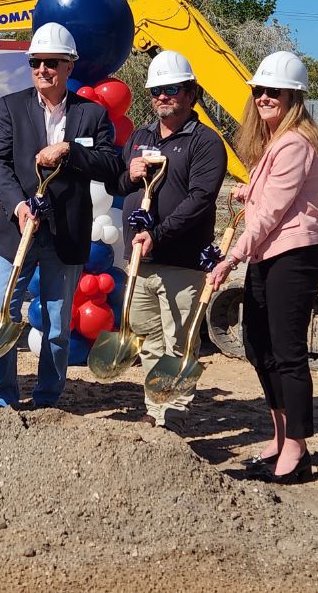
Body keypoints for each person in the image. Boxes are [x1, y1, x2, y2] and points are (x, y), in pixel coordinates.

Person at [208, 51, 318, 484]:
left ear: (292, 97)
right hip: (270, 255)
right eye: (258, 91)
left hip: (292, 259)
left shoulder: (295, 142)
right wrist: (250, 191)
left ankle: (297, 450)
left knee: (287, 353)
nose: (263, 98)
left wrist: (230, 258)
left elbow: (271, 215)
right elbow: (272, 198)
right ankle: (280, 437)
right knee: (260, 346)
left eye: (272, 92)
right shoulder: (276, 142)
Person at [0, 22, 120, 408]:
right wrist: (18, 204)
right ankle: (3, 399)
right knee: (1, 315)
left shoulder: (91, 115)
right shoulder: (11, 106)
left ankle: (47, 402)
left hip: (64, 237)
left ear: (68, 66)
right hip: (17, 232)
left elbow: (110, 166)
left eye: (51, 62)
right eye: (36, 62)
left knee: (59, 327)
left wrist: (69, 151)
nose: (42, 69)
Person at [113, 51, 227, 433]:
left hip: (181, 260)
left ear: (191, 93)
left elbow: (199, 199)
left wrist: (157, 235)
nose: (163, 96)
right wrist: (129, 174)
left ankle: (175, 409)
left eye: (171, 89)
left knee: (179, 341)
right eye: (156, 91)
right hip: (141, 260)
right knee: (148, 339)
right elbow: (118, 186)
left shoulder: (206, 142)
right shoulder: (141, 136)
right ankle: (155, 405)